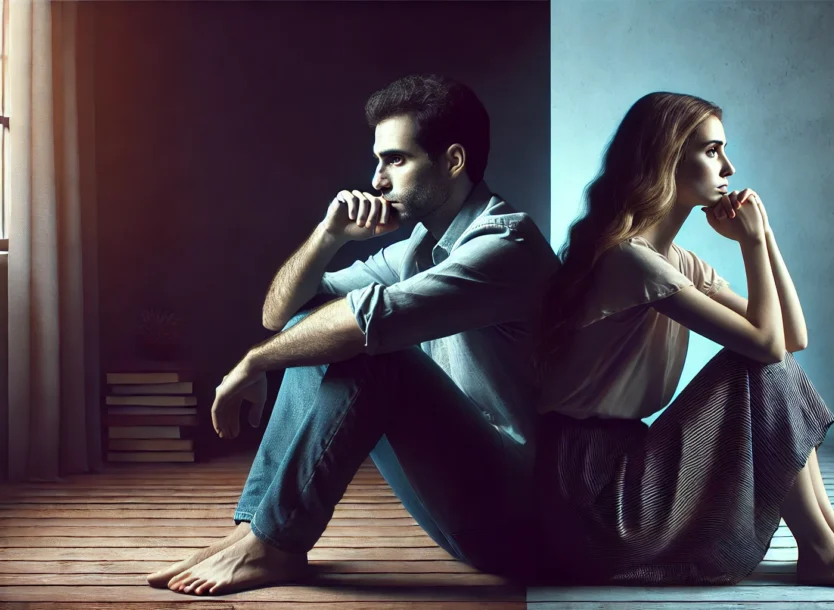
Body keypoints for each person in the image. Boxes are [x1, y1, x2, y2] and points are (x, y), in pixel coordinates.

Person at [145, 74, 559, 596]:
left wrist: (253, 364)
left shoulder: (506, 245)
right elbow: (282, 315)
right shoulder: (415, 249)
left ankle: (276, 544)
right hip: (458, 509)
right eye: (379, 160)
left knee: (371, 353)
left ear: (453, 161)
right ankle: (255, 530)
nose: (377, 179)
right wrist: (329, 235)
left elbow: (363, 326)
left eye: (396, 159)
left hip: (514, 519)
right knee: (311, 330)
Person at [531, 92, 834, 591]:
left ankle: (832, 541)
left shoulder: (677, 260)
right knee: (759, 364)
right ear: (667, 157)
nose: (729, 167)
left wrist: (764, 236)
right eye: (712, 151)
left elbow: (792, 337)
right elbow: (768, 347)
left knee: (769, 364)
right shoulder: (629, 260)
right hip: (592, 498)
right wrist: (752, 244)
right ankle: (820, 549)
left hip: (626, 466)